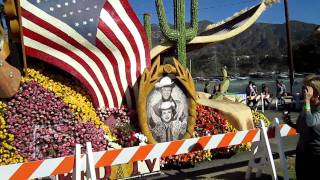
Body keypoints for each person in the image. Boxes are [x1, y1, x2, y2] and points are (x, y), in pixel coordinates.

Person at [283, 75, 320, 180]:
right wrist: (289, 122)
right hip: (302, 151)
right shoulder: (307, 107)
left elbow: (310, 122)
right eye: (304, 89)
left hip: (315, 154)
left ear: (317, 93)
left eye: (307, 89)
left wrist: (307, 102)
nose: (304, 92)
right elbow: (301, 128)